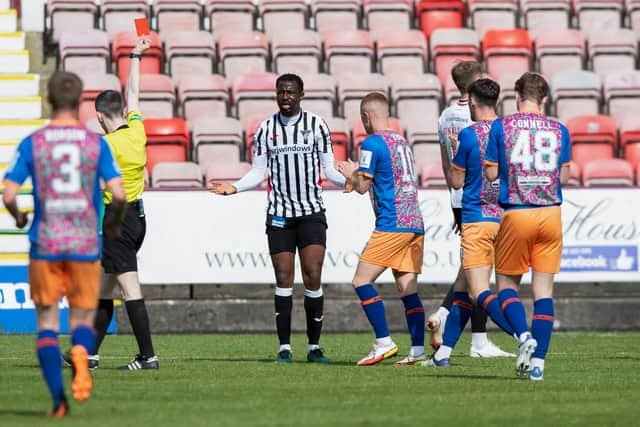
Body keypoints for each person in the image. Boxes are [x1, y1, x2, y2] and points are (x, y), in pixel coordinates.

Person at [2, 71, 126, 416]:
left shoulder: (34, 143)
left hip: (45, 243)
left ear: (49, 100)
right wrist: (112, 226)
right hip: (85, 244)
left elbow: (9, 193)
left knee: (46, 323)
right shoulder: (94, 144)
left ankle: (58, 401)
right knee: (83, 321)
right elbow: (118, 194)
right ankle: (82, 361)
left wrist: (19, 218)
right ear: (80, 102)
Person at [209, 73, 346, 363]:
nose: (286, 97)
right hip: (280, 214)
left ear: (301, 94)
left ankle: (313, 347)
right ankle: (284, 347)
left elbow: (329, 169)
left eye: (291, 93)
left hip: (311, 212)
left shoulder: (316, 126)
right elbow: (259, 171)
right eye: (281, 92)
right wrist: (235, 187)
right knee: (283, 278)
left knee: (312, 276)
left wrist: (347, 180)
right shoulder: (266, 129)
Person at [484, 72, 571, 380]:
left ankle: (523, 336)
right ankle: (539, 366)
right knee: (543, 292)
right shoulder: (560, 130)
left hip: (518, 212)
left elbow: (492, 174)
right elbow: (564, 177)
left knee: (506, 286)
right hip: (550, 213)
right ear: (545, 99)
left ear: (516, 94)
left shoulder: (502, 126)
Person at [423, 78, 517, 367]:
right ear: (497, 101)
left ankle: (524, 336)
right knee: (464, 291)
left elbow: (457, 181)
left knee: (478, 291)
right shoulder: (511, 131)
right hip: (506, 218)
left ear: (473, 102)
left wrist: (452, 156)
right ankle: (443, 355)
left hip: (476, 219)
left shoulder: (468, 134)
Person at [336, 92, 426, 366]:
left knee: (361, 281)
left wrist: (350, 173)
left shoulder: (372, 143)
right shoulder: (402, 142)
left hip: (392, 222)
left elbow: (363, 187)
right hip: (415, 223)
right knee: (407, 289)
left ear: (366, 116)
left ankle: (383, 342)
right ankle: (418, 351)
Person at [84, 35, 156, 370]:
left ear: (100, 116)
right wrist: (135, 57)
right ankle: (88, 353)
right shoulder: (137, 131)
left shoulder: (105, 146)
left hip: (118, 219)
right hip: (138, 217)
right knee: (103, 288)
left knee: (129, 287)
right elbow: (135, 95)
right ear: (122, 112)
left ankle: (148, 356)